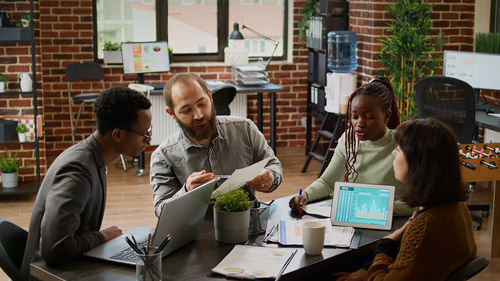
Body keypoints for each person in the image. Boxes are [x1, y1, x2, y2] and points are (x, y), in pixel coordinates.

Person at [20, 87, 152, 274]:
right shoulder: (77, 171)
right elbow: (54, 249)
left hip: (69, 265)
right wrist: (102, 237)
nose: (148, 140)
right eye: (145, 134)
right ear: (117, 134)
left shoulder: (92, 158)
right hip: (47, 275)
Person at [150, 73, 282, 217]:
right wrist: (186, 192)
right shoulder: (163, 156)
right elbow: (161, 210)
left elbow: (273, 165)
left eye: (202, 103)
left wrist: (269, 177)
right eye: (187, 110)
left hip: (247, 224)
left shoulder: (245, 129)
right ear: (171, 113)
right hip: (196, 231)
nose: (198, 115)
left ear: (210, 97)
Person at [362, 118, 475, 280]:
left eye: (399, 149)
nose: (394, 153)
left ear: (418, 163)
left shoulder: (425, 226)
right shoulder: (456, 206)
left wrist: (383, 248)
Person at [289, 76, 413, 216]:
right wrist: (305, 195)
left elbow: (417, 202)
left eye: (369, 117)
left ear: (386, 117)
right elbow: (327, 182)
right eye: (355, 116)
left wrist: (377, 211)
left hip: (391, 223)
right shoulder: (348, 140)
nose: (360, 123)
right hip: (355, 219)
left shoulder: (402, 145)